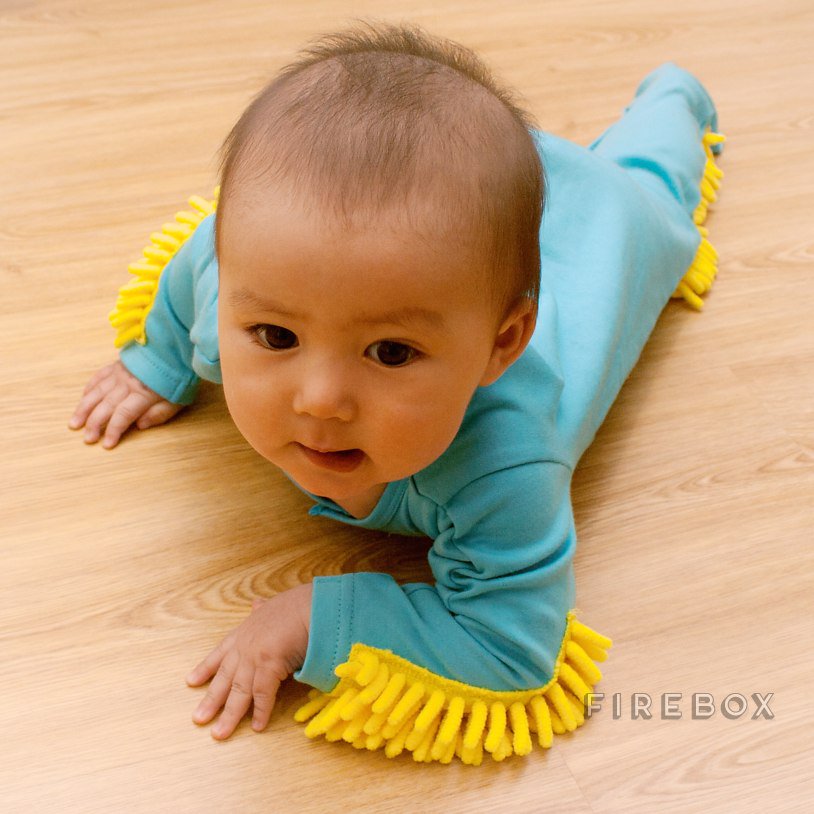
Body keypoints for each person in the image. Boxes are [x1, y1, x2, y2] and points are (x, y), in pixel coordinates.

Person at [68, 22, 723, 764]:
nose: (320, 400)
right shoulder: (251, 284)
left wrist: (320, 615)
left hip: (608, 219)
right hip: (444, 224)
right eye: (277, 338)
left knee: (653, 182)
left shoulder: (503, 461)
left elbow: (511, 647)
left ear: (503, 345)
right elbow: (197, 264)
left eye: (391, 351)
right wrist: (156, 360)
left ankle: (674, 95)